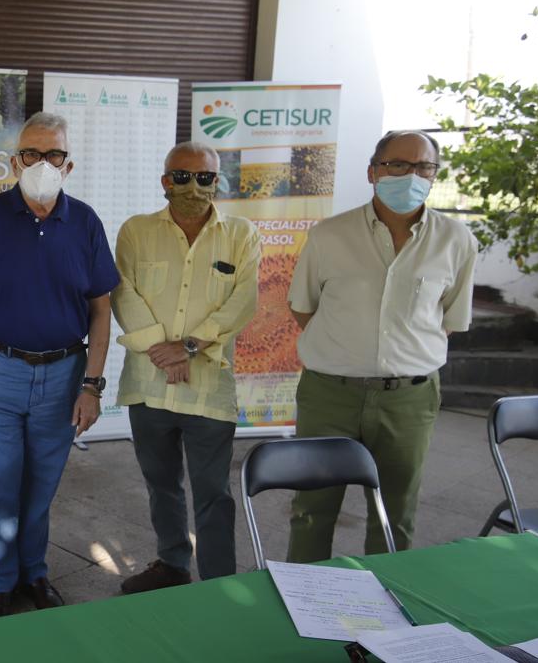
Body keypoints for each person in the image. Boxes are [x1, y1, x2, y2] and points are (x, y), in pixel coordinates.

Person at [0, 112, 119, 619]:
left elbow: (101, 309)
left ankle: (34, 573)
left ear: (69, 163)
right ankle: (0, 583)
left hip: (64, 376)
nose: (43, 163)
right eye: (32, 154)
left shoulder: (84, 222)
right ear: (15, 160)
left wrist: (92, 386)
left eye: (53, 155)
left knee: (40, 486)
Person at [286, 130, 476, 562]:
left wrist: (397, 356)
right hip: (329, 394)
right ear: (373, 172)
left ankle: (388, 609)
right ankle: (304, 605)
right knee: (312, 509)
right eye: (398, 165)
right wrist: (347, 349)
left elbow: (447, 321)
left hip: (409, 399)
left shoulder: (457, 241)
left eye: (423, 166)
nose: (411, 175)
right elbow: (303, 308)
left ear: (434, 175)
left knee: (396, 512)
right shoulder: (329, 236)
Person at [111, 141, 260, 593]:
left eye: (205, 178)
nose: (193, 186)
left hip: (208, 386)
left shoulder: (241, 234)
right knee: (161, 485)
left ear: (217, 182)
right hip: (150, 383)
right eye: (182, 176)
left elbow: (244, 301)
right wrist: (165, 350)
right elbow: (123, 293)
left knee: (214, 493)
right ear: (165, 181)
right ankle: (172, 564)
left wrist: (189, 347)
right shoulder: (136, 231)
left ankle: (217, 585)